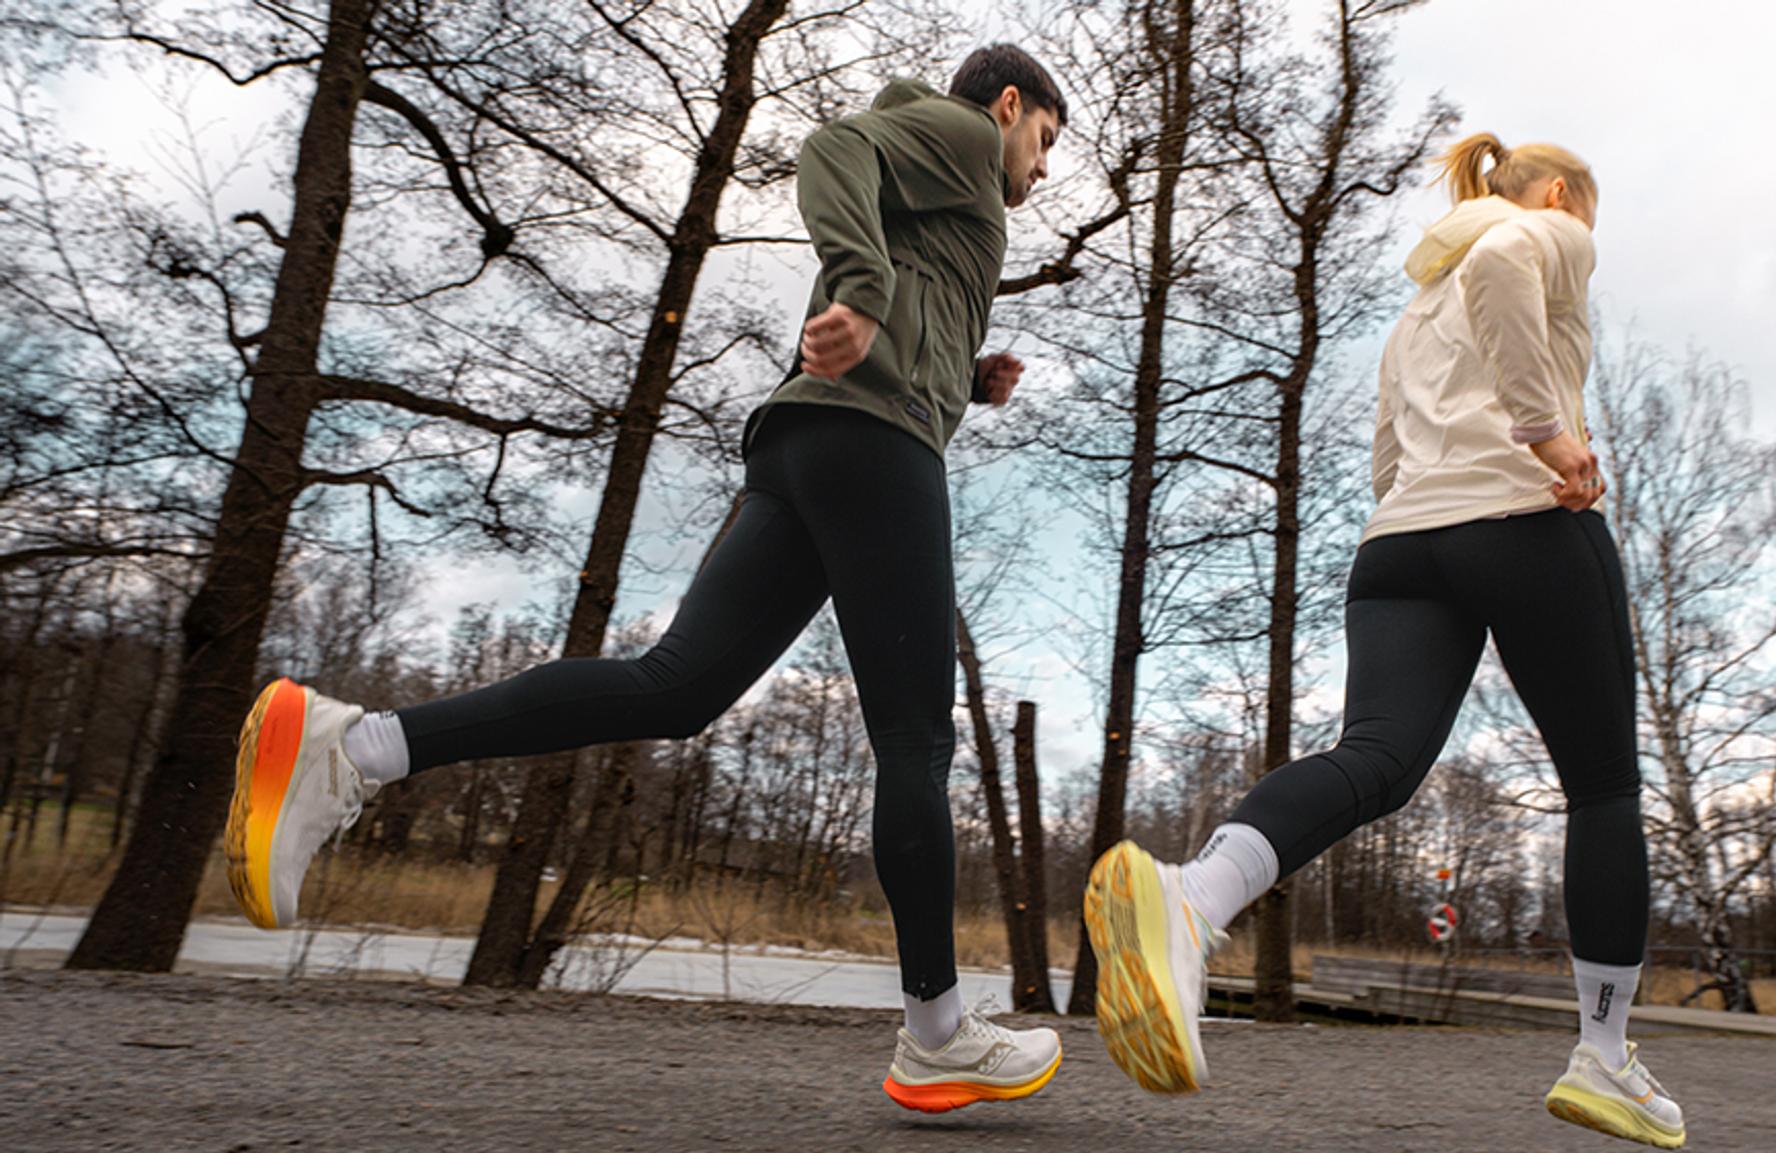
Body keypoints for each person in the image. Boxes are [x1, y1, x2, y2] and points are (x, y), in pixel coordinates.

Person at [222, 44, 1068, 1115]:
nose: (1038, 174)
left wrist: (965, 377)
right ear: (1006, 107)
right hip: (871, 445)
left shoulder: (948, 199)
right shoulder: (957, 136)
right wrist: (856, 289)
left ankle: (354, 746)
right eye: (1041, 143)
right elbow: (831, 150)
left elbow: (909, 280)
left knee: (674, 686)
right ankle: (937, 1032)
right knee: (914, 738)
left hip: (811, 444)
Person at [1082, 132, 1687, 1149]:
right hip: (1528, 525)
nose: (1583, 240)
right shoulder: (1537, 229)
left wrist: (1428, 514)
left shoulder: (1415, 308)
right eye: (1582, 215)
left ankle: (1195, 896)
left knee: (1375, 759)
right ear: (1554, 193)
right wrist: (1548, 435)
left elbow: (1385, 453)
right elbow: (1508, 266)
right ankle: (1605, 1055)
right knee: (1602, 788)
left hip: (1400, 547)